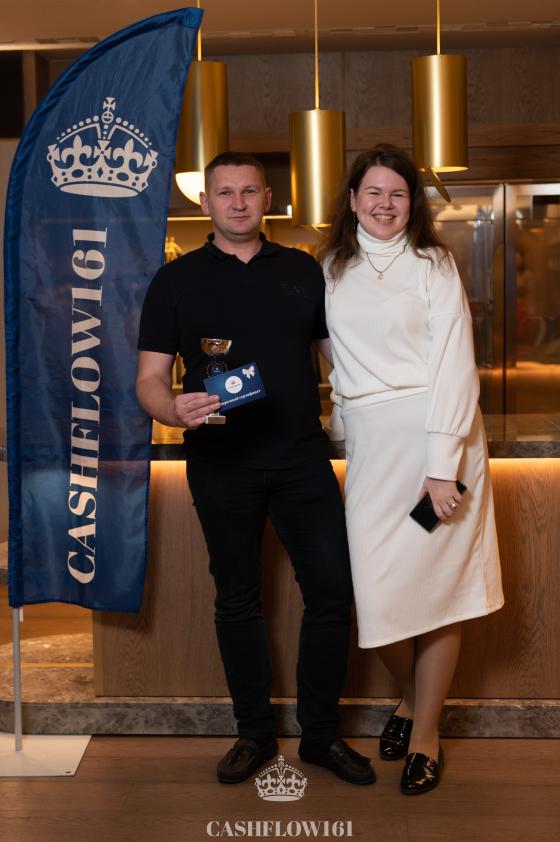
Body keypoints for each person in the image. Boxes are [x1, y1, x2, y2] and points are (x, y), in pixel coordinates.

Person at [135, 151, 375, 786]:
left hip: (302, 460)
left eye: (248, 191)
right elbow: (150, 380)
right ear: (205, 202)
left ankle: (321, 737)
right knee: (237, 598)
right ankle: (254, 734)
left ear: (267, 199)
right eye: (224, 192)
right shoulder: (174, 281)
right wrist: (172, 409)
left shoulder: (304, 270)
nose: (237, 202)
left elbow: (345, 360)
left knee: (332, 594)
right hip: (221, 465)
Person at [318, 144, 504, 796]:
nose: (385, 204)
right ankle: (410, 695)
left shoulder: (434, 264)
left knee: (438, 592)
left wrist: (442, 467)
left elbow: (455, 362)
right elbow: (334, 355)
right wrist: (342, 422)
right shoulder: (330, 267)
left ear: (412, 204)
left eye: (397, 193)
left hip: (437, 449)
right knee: (376, 594)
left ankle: (426, 733)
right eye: (373, 192)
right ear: (352, 200)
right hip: (374, 455)